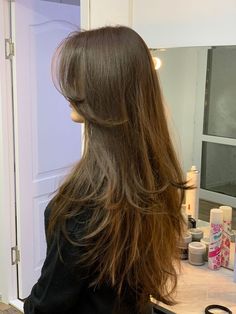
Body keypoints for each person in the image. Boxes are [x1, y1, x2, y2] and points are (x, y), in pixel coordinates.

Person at [24, 26, 187, 314]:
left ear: (105, 90)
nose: (68, 91)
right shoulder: (156, 177)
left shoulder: (82, 204)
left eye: (76, 80)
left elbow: (47, 306)